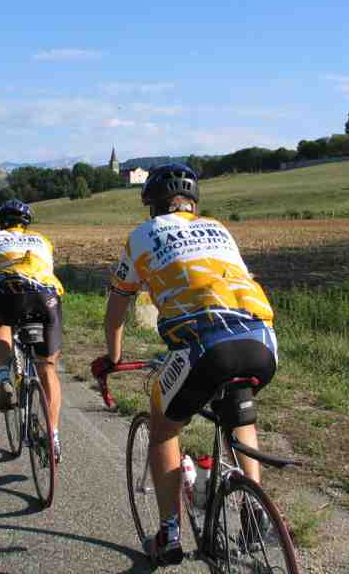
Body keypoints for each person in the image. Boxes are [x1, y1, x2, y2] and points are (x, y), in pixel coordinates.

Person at [92, 164, 278, 566]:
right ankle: (255, 510)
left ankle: (170, 533)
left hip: (203, 346)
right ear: (194, 203)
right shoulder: (219, 229)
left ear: (153, 206)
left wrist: (114, 357)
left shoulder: (142, 236)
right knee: (238, 409)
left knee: (163, 428)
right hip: (262, 341)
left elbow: (116, 311)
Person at [0, 199, 65, 461]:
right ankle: (53, 434)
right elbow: (47, 272)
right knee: (48, 368)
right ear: (26, 224)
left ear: (1, 222)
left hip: (9, 295)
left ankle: (4, 379)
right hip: (46, 297)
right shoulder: (42, 241)